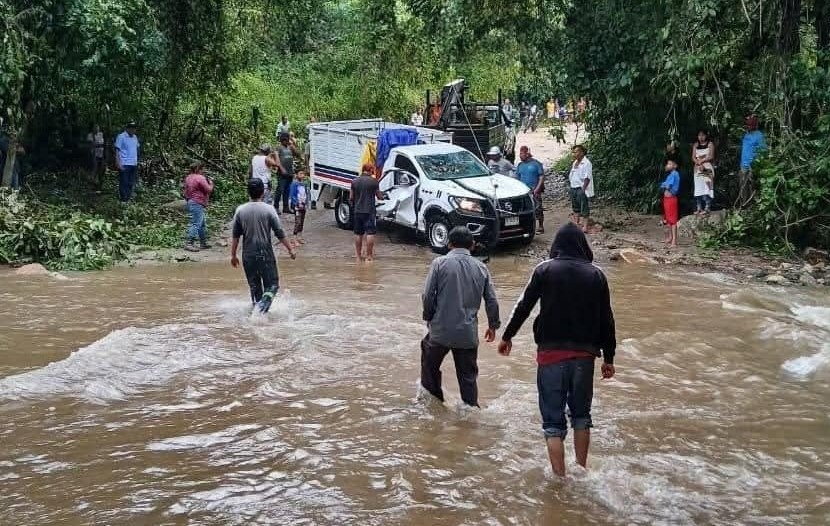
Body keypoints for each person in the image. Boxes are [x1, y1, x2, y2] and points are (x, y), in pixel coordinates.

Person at [498, 222, 616, 477]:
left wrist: (507, 336)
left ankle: (560, 479)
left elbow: (524, 306)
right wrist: (609, 358)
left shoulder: (545, 270)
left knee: (553, 422)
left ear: (556, 246)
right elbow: (607, 318)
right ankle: (582, 472)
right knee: (582, 416)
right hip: (585, 357)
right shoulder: (596, 275)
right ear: (583, 246)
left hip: (550, 355)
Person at [421, 226, 500, 408]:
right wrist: (493, 325)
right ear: (472, 245)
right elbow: (492, 300)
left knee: (429, 363)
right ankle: (470, 410)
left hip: (440, 331)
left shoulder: (439, 263)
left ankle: (434, 403)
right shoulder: (481, 268)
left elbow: (427, 296)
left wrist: (429, 317)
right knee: (468, 377)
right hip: (467, 333)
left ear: (449, 244)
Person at [230, 179, 296, 310]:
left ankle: (257, 313)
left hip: (247, 255)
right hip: (265, 252)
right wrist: (290, 249)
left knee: (255, 287)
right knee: (272, 285)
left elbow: (236, 235)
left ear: (248, 192)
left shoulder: (240, 210)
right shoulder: (269, 210)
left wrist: (233, 255)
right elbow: (279, 232)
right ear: (263, 192)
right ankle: (262, 309)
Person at [350, 163, 384, 262]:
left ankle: (358, 256)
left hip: (358, 211)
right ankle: (369, 257)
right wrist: (383, 196)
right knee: (370, 233)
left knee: (358, 233)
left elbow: (351, 197)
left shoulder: (354, 181)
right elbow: (379, 196)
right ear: (371, 171)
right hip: (369, 212)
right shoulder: (374, 182)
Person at [183, 162, 214, 252]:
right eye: (202, 169)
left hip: (191, 201)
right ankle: (189, 243)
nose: (203, 171)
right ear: (199, 169)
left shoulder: (188, 177)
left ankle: (203, 243)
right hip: (198, 202)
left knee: (201, 223)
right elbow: (209, 189)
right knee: (196, 223)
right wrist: (211, 184)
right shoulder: (200, 178)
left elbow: (185, 191)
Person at [738, 114, 766, 207]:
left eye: (750, 125)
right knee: (743, 186)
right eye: (747, 125)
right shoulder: (746, 135)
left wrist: (756, 162)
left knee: (753, 186)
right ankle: (744, 205)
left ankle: (755, 205)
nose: (748, 127)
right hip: (743, 165)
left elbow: (763, 151)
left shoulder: (759, 135)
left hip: (753, 165)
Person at [516, 145, 546, 234]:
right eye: (520, 153)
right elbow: (518, 177)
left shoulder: (536, 164)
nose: (520, 156)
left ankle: (540, 227)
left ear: (527, 154)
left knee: (538, 208)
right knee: (524, 210)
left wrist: (537, 189)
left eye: (522, 154)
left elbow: (541, 177)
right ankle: (526, 227)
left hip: (534, 190)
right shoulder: (520, 165)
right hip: (524, 191)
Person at [568, 144, 594, 231]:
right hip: (573, 187)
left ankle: (585, 226)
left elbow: (587, 177)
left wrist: (583, 189)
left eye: (576, 152)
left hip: (581, 188)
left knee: (584, 207)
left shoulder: (587, 163)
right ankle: (576, 224)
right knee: (575, 207)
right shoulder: (575, 163)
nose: (574, 154)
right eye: (573, 152)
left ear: (582, 152)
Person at [114, 121, 140, 203]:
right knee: (124, 182)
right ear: (128, 128)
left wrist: (137, 160)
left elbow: (136, 148)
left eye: (134, 128)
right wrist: (118, 162)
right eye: (132, 128)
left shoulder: (135, 137)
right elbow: (117, 150)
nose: (133, 130)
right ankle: (123, 200)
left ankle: (128, 199)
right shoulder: (121, 136)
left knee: (131, 183)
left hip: (133, 163)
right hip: (124, 163)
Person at [274, 133, 300, 214]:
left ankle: (286, 207)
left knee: (287, 191)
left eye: (287, 139)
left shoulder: (290, 147)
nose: (286, 141)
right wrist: (281, 169)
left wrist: (293, 144)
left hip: (290, 172)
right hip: (281, 173)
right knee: (280, 190)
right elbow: (277, 159)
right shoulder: (278, 148)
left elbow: (298, 154)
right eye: (284, 140)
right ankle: (276, 207)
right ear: (281, 140)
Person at [692, 129, 715, 215]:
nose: (701, 137)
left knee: (707, 187)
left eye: (703, 135)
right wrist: (697, 162)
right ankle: (699, 208)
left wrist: (702, 160)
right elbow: (693, 157)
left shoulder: (710, 144)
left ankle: (707, 207)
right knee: (698, 188)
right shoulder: (695, 145)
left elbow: (711, 156)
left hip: (707, 167)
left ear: (706, 135)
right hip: (697, 168)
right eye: (699, 135)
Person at [660, 159, 681, 247]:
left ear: (675, 166)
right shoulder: (670, 175)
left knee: (673, 221)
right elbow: (662, 185)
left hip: (671, 198)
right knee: (668, 220)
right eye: (667, 164)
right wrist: (664, 185)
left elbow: (667, 186)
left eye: (669, 164)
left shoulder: (674, 174)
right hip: (667, 199)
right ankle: (670, 238)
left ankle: (674, 241)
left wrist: (664, 185)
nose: (667, 165)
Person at [289, 169, 309, 246]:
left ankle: (299, 238)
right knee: (298, 222)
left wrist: (306, 203)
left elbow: (306, 194)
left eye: (303, 174)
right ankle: (294, 239)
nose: (302, 175)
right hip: (297, 206)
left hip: (303, 205)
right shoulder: (294, 184)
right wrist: (296, 203)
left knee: (302, 221)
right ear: (296, 175)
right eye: (300, 173)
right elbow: (292, 195)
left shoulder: (304, 184)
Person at [87, 124, 105, 189]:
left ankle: (97, 181)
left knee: (101, 168)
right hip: (94, 154)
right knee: (95, 167)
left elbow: (103, 143)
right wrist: (100, 145)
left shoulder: (101, 134)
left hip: (101, 153)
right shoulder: (90, 135)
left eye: (98, 128)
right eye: (95, 128)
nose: (97, 129)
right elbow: (92, 145)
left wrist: (99, 145)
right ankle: (91, 180)